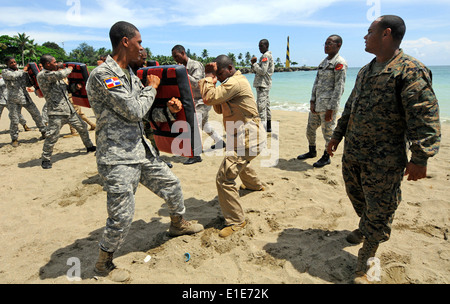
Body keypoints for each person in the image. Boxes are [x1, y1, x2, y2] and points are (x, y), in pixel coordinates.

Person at [327, 15, 441, 284]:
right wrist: (337, 136)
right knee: (357, 196)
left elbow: (424, 116)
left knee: (380, 208)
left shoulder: (410, 70)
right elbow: (350, 106)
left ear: (386, 34)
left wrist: (420, 157)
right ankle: (367, 227)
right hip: (354, 153)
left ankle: (367, 259)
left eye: (369, 32)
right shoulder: (367, 70)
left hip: (384, 160)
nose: (365, 37)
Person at [86, 21, 203, 281]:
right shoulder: (104, 74)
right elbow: (134, 110)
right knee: (122, 217)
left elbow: (146, 114)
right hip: (117, 158)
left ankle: (177, 225)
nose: (143, 48)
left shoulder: (129, 74)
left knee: (172, 186)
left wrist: (169, 112)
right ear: (125, 42)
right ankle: (103, 263)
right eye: (139, 42)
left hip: (142, 151)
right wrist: (152, 86)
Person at [199, 55, 266, 238]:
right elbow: (218, 107)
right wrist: (214, 81)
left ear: (230, 68)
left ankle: (236, 221)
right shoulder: (230, 82)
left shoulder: (234, 82)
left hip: (247, 139)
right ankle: (254, 185)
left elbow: (208, 98)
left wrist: (208, 76)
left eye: (220, 73)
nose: (219, 77)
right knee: (241, 162)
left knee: (224, 178)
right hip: (244, 138)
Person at [37, 55, 96, 169]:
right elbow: (60, 74)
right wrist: (70, 68)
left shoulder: (56, 78)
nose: (57, 64)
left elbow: (66, 90)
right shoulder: (43, 75)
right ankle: (46, 159)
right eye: (54, 62)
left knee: (82, 127)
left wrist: (75, 87)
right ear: (48, 64)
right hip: (56, 112)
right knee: (52, 136)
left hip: (69, 110)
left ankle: (89, 146)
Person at [297, 35, 347, 168]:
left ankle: (326, 156)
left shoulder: (339, 63)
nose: (326, 46)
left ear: (338, 45)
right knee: (310, 130)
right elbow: (316, 83)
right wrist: (312, 101)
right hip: (317, 104)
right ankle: (312, 151)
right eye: (325, 43)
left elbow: (339, 88)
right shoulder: (323, 62)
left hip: (328, 107)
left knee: (328, 133)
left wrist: (331, 109)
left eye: (329, 43)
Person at [172, 44, 225, 165]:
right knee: (205, 125)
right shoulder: (182, 67)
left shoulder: (195, 65)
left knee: (194, 125)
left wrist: (183, 73)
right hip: (195, 101)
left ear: (183, 53)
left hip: (202, 101)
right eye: (174, 57)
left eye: (177, 56)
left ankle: (196, 155)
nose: (175, 59)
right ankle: (219, 141)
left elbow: (197, 83)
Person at [2, 57, 47, 147]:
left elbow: (28, 83)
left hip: (25, 97)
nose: (14, 64)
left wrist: (31, 76)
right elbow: (13, 76)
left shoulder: (22, 72)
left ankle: (44, 132)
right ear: (7, 64)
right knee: (14, 120)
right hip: (13, 100)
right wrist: (24, 71)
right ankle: (14, 139)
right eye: (11, 63)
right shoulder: (5, 72)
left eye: (14, 62)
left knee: (36, 115)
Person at [251, 39, 274, 132]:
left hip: (262, 85)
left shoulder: (265, 56)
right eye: (259, 46)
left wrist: (254, 64)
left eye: (261, 46)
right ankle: (268, 127)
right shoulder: (267, 56)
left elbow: (262, 71)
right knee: (266, 106)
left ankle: (262, 129)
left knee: (261, 107)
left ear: (266, 46)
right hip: (265, 84)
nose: (259, 48)